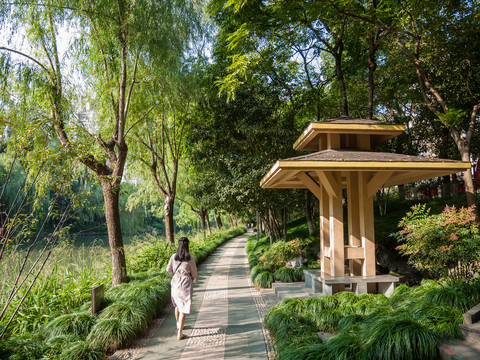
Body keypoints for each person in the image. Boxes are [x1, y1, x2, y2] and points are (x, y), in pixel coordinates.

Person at [166, 237, 198, 340]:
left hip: (175, 283)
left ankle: (178, 324)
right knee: (183, 308)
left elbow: (168, 270)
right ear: (187, 246)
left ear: (179, 245)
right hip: (185, 283)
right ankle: (180, 333)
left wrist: (176, 274)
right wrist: (195, 278)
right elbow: (194, 272)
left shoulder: (173, 257)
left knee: (177, 305)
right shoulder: (190, 258)